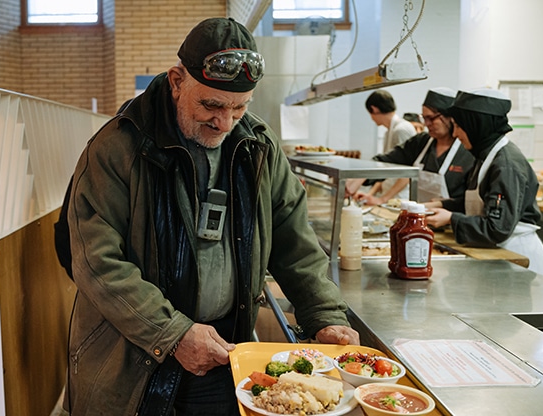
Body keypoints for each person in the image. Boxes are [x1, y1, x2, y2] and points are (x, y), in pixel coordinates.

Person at [62, 17, 359, 416]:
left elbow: (295, 242)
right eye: (212, 105)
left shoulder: (257, 146)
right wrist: (174, 333)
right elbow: (97, 263)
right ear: (176, 81)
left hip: (225, 349)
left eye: (239, 108)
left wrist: (322, 313)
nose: (224, 122)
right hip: (135, 356)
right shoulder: (117, 148)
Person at [425, 89, 543, 276]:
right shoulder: (485, 155)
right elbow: (483, 202)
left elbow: (497, 227)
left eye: (459, 126)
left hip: (517, 257)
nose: (456, 133)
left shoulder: (505, 165)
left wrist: (451, 218)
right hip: (496, 251)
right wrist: (442, 204)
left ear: (477, 125)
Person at [348, 88, 475, 205]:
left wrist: (446, 207)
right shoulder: (421, 142)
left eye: (431, 118)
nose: (427, 124)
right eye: (424, 118)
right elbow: (388, 161)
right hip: (420, 219)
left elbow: (471, 200)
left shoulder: (468, 150)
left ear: (450, 117)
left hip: (452, 224)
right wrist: (361, 176)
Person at [361, 90, 418, 201]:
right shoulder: (389, 132)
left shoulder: (401, 130)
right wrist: (371, 194)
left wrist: (382, 199)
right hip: (389, 195)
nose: (371, 118)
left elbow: (407, 173)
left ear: (374, 109)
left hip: (400, 198)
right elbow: (385, 168)